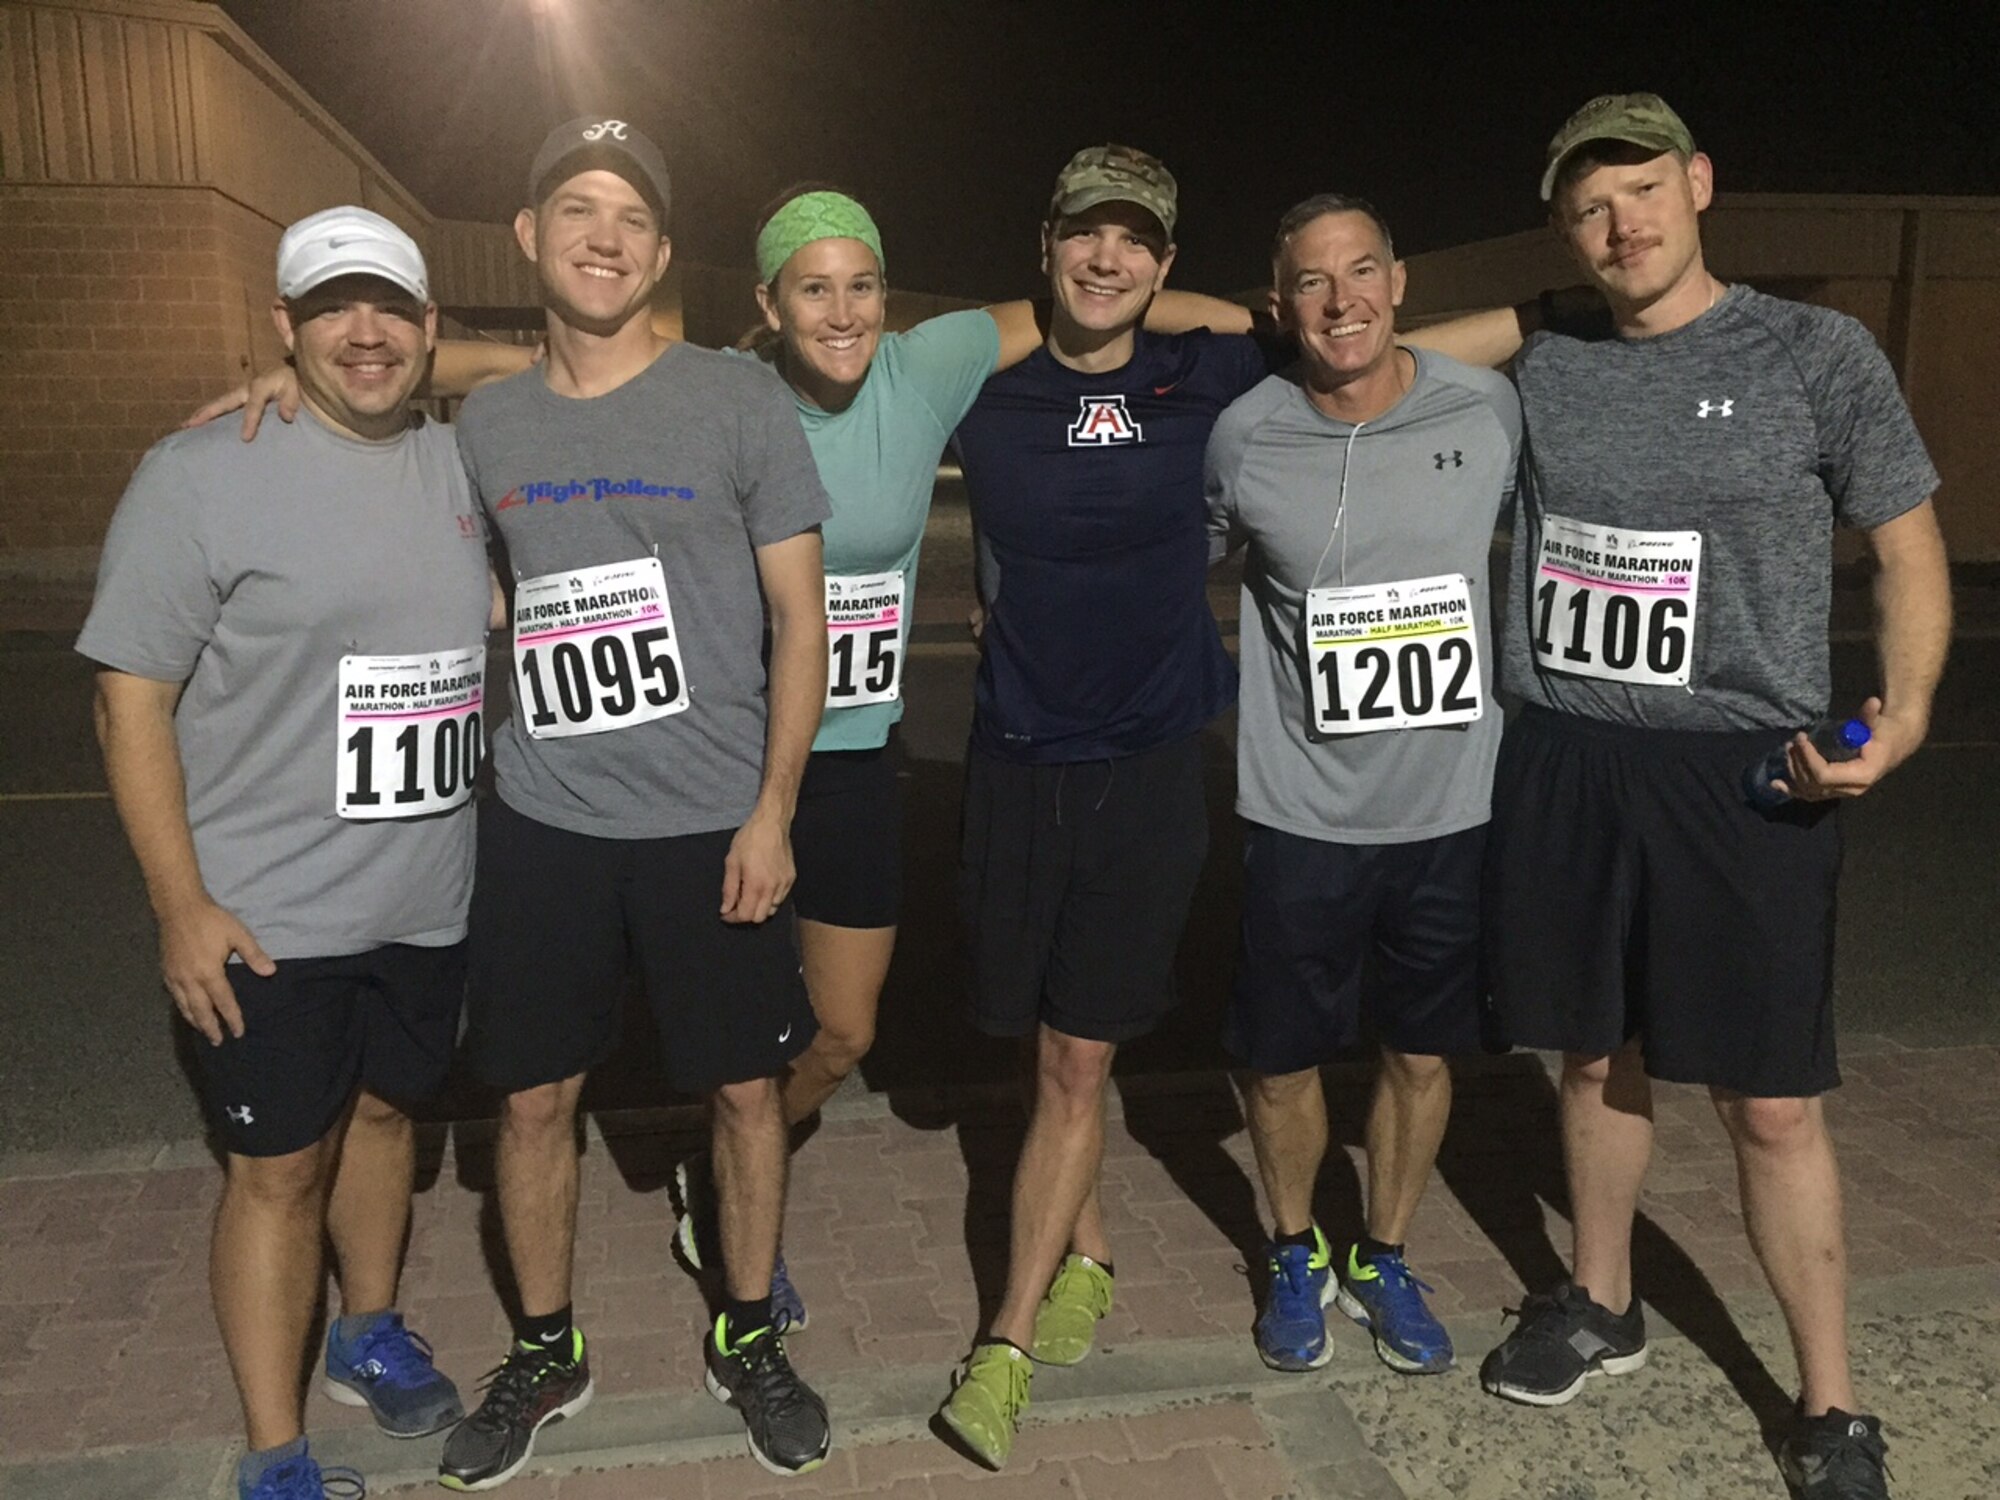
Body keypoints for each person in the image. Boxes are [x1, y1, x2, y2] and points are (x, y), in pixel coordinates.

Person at [1478, 95, 1950, 1500]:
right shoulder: (1542, 346)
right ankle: (1602, 1302)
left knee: (1773, 1104)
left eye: (1641, 191)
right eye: (1589, 208)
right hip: (1566, 751)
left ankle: (1831, 1402)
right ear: (1564, 229)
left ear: (1698, 184)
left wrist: (1905, 717)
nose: (1621, 226)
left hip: (1744, 773)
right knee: (1589, 1053)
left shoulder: (1817, 353)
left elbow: (1906, 550)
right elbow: (1355, 339)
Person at [426, 117, 835, 1489]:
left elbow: (802, 619)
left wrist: (773, 810)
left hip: (712, 817)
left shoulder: (736, 399)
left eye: (633, 219)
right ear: (530, 237)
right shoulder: (487, 420)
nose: (605, 236)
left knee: (742, 1092)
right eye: (576, 210)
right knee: (533, 1105)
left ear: (662, 253)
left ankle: (748, 1327)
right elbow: (483, 580)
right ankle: (547, 1351)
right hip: (545, 819)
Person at [81, 207, 484, 1500]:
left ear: (429, 328)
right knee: (276, 1172)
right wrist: (178, 905)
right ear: (281, 326)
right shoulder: (198, 474)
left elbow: (600, 350)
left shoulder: (454, 464)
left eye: (389, 311)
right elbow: (127, 698)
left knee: (383, 1119)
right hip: (265, 917)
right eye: (329, 311)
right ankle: (273, 1455)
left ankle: (366, 1328)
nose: (362, 335)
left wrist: (417, 366)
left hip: (425, 900)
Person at [1206, 195, 1521, 1377]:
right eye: (1308, 282)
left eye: (1358, 273)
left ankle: (1382, 1251)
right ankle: (1293, 1248)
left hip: (1451, 808)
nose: (1338, 301)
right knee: (1280, 1059)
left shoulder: (1481, 407)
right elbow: (1168, 552)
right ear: (1278, 303)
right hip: (1300, 815)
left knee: (1422, 1053)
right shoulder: (1243, 434)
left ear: (1396, 280)